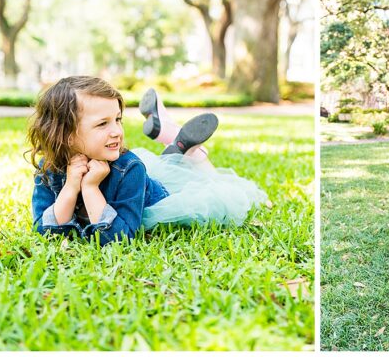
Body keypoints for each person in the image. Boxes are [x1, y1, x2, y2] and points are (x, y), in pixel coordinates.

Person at [28, 77, 268, 245]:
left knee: (211, 184)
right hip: (142, 182)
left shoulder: (129, 168)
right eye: (103, 123)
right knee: (169, 168)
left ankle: (193, 151)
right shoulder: (48, 169)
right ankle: (173, 137)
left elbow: (119, 239)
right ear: (67, 136)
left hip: (161, 198)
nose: (117, 132)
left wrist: (90, 188)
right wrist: (71, 187)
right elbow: (44, 231)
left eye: (118, 120)